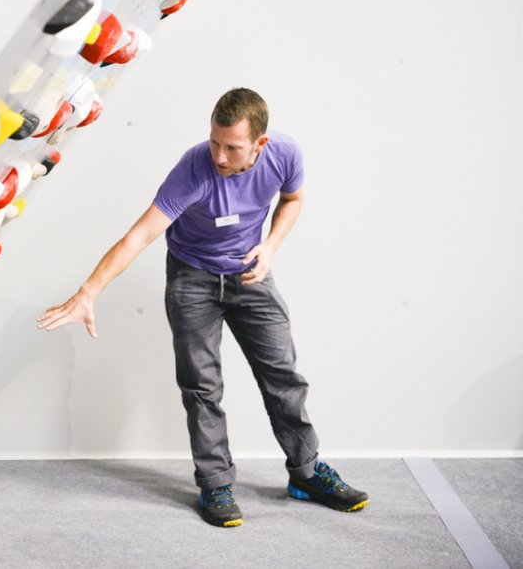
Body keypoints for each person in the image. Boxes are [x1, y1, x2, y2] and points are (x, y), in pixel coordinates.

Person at [37, 88, 368, 527]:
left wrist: (270, 246)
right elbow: (140, 235)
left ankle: (306, 474)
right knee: (202, 386)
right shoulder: (193, 169)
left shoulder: (284, 154)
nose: (220, 156)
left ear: (259, 144)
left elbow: (293, 199)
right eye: (215, 142)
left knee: (283, 376)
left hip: (250, 274)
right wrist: (89, 291)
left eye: (232, 147)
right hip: (192, 279)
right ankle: (215, 485)